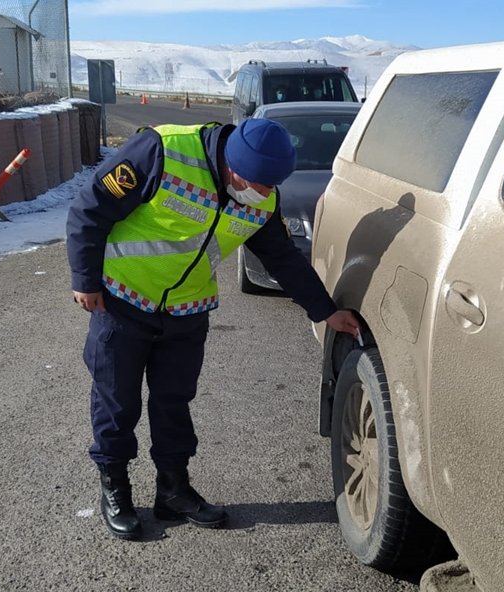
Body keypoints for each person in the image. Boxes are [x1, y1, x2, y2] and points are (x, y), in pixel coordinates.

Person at [66, 118, 360, 541]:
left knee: (174, 404)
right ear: (230, 164)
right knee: (116, 403)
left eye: (270, 187)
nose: (261, 195)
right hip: (122, 302)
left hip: (186, 312)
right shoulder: (161, 152)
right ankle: (115, 488)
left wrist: (324, 310)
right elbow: (90, 208)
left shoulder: (261, 198)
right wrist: (85, 279)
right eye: (256, 184)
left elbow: (283, 258)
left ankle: (173, 491)